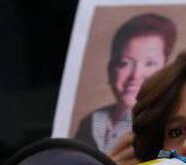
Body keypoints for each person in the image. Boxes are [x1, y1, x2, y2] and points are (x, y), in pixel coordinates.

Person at [74, 13, 177, 156]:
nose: (135, 75)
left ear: (166, 69)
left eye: (150, 63)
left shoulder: (169, 126)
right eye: (125, 63)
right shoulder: (90, 122)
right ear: (111, 69)